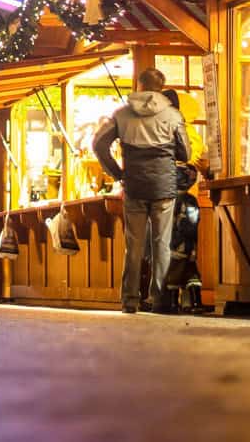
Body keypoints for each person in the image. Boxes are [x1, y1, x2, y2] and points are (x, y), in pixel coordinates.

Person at [94, 67, 189, 314]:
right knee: (162, 244)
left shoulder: (122, 114)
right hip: (164, 187)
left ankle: (129, 300)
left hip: (134, 185)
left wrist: (117, 173)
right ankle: (159, 299)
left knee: (133, 245)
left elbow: (99, 145)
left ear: (139, 85)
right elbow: (185, 153)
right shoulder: (172, 114)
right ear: (161, 86)